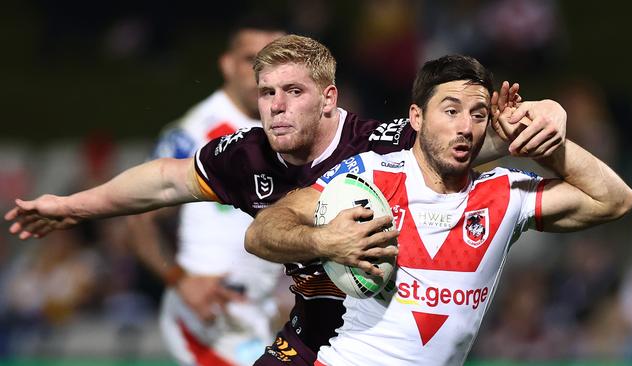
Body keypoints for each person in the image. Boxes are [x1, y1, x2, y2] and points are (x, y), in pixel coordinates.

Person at [5, 35, 568, 365]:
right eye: (266, 94)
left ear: (327, 99)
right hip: (312, 333)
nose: (274, 107)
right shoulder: (247, 155)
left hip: (394, 335)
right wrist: (73, 206)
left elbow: (490, 135)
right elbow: (163, 181)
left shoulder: (386, 140)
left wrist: (550, 113)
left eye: (292, 92)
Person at [243, 54, 632, 366]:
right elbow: (263, 230)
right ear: (416, 117)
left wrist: (546, 143)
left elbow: (615, 200)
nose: (465, 126)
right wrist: (323, 239)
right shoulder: (371, 175)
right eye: (451, 111)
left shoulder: (505, 193)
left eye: (478, 114)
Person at [125, 24, 285, 365]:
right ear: (227, 65)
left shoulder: (285, 131)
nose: (263, 72)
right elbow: (139, 218)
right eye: (251, 59)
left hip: (260, 310)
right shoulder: (194, 132)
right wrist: (179, 280)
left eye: (276, 60)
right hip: (209, 316)